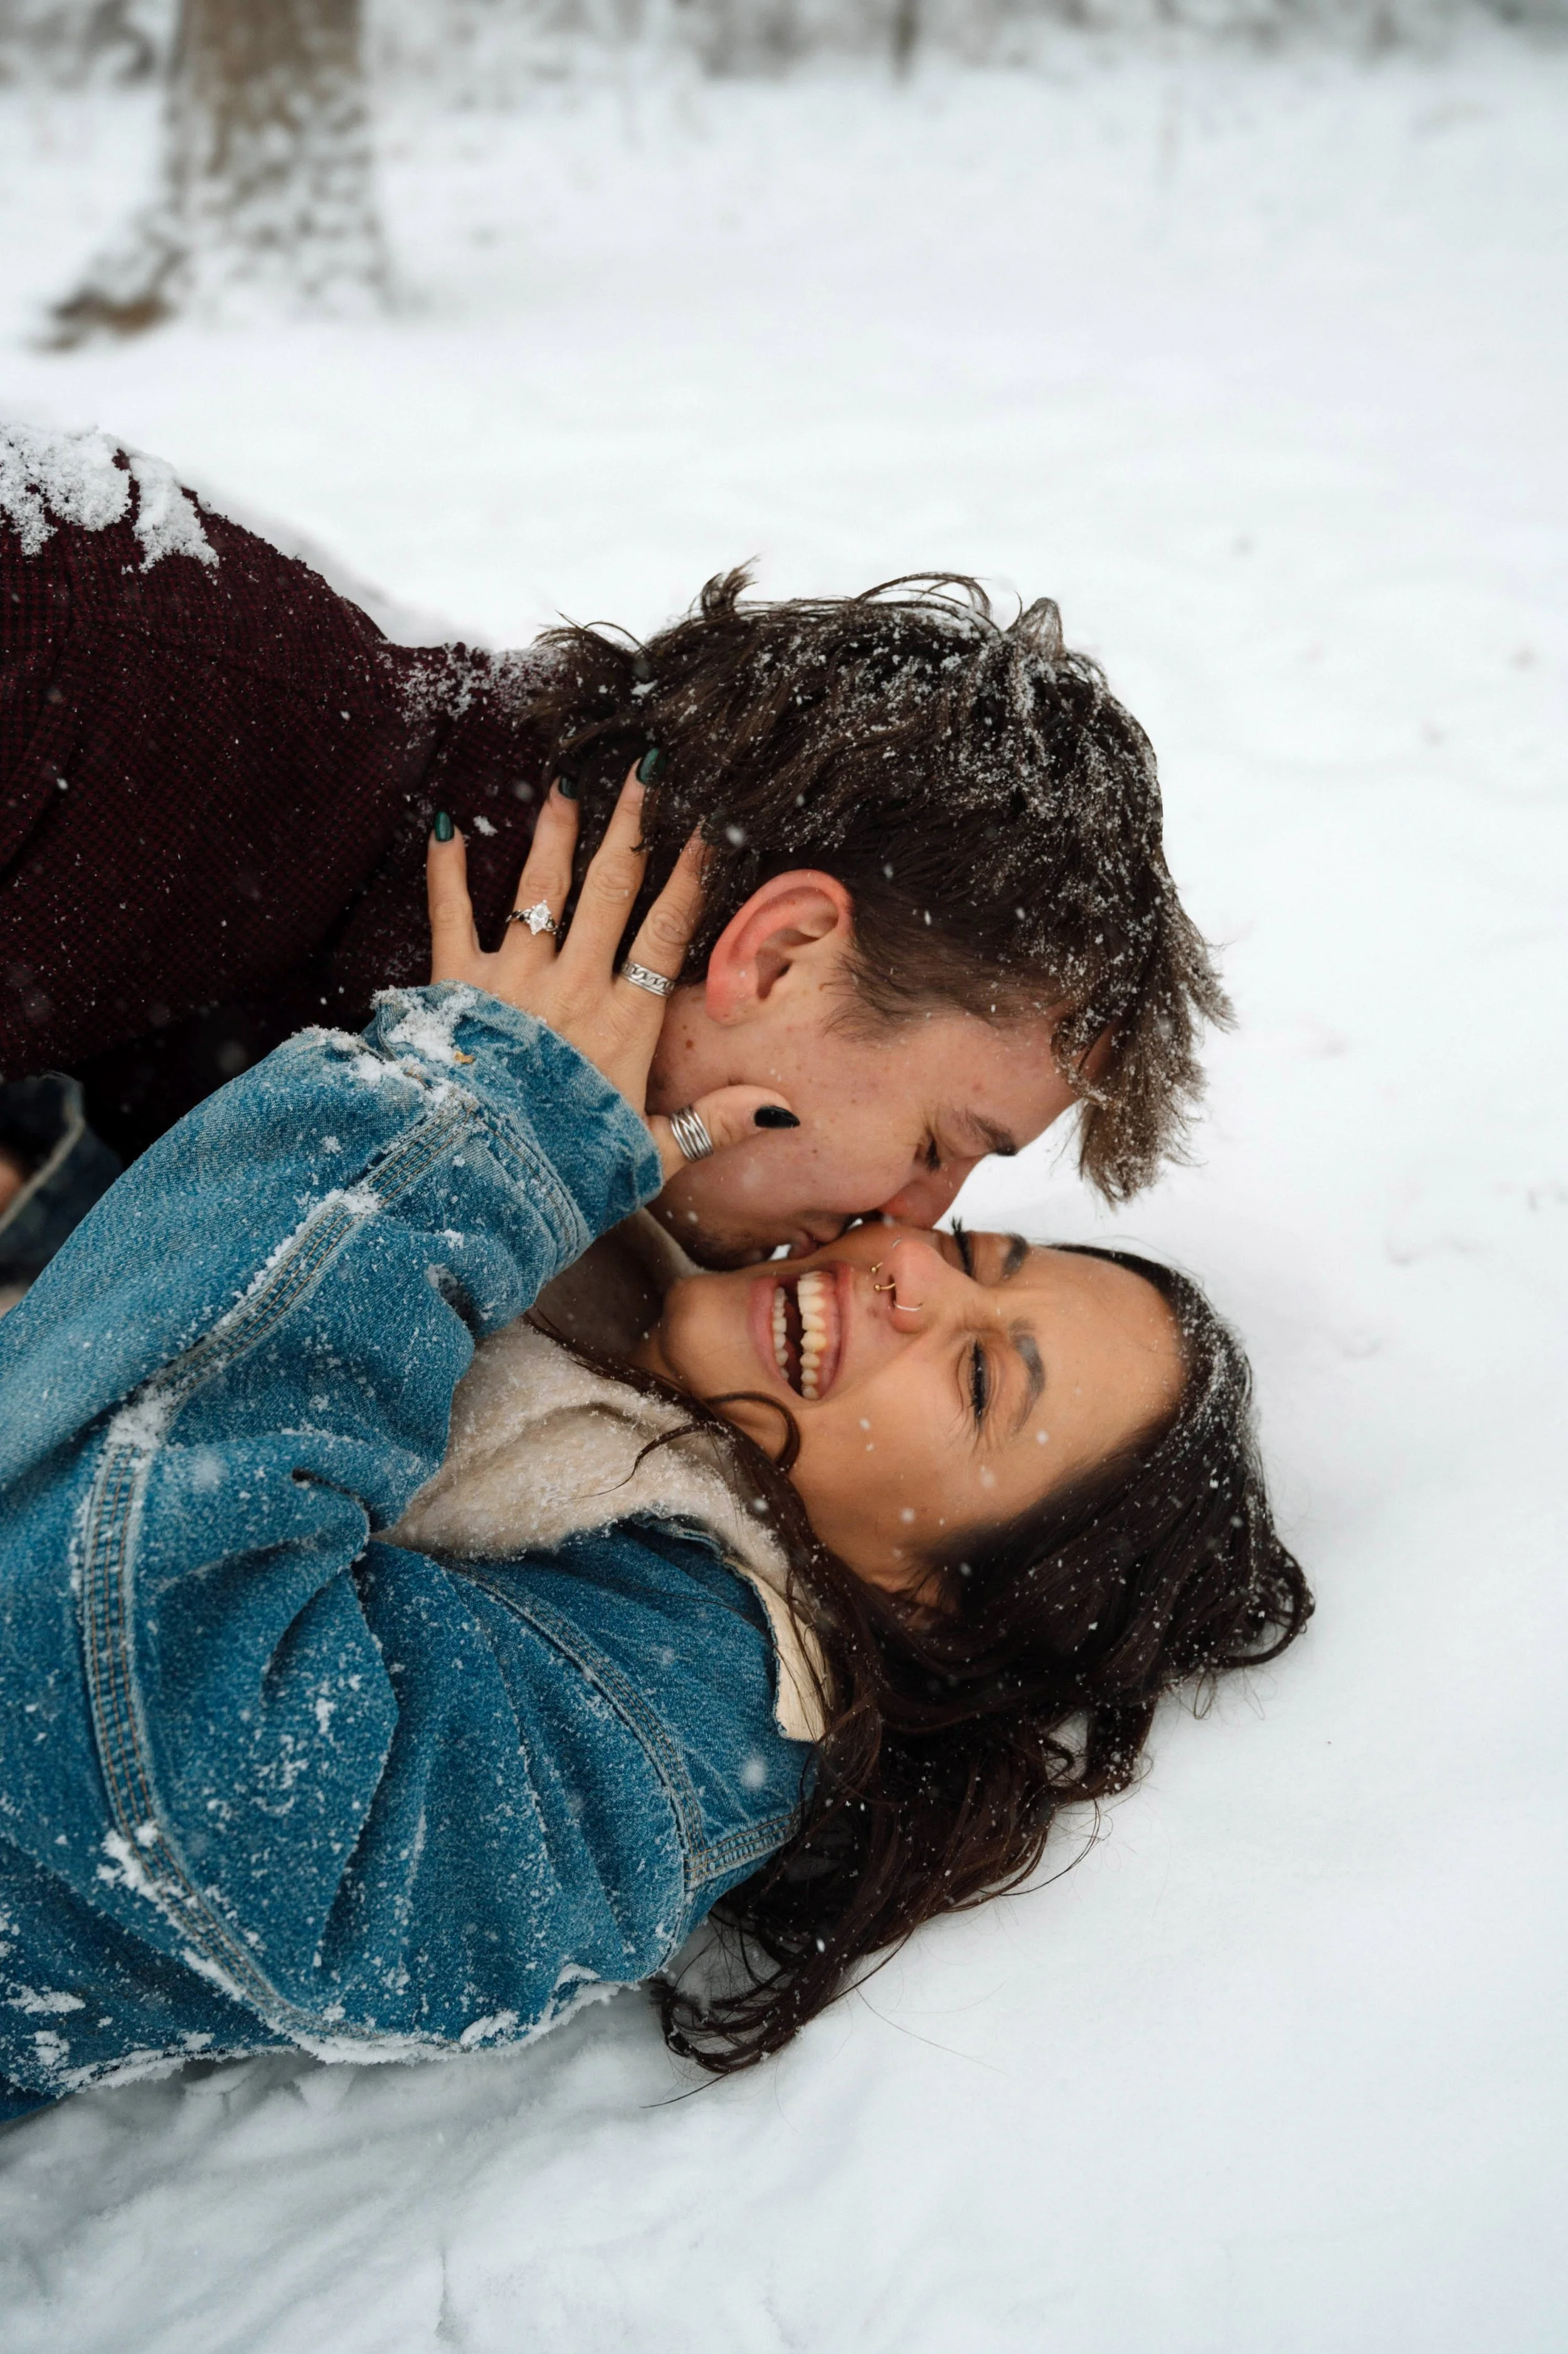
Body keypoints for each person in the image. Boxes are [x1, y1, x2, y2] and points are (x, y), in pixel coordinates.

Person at [0, 774, 1310, 2118]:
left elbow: (122, 1687)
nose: (909, 1268)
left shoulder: (679, 1724)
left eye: (979, 1376)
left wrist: (472, 1128)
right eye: (970, 1255)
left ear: (936, 1593)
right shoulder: (620, 1303)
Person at [0, 419, 1227, 1286]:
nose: (911, 1227)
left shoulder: (332, 930)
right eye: (936, 1145)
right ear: (784, 953)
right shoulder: (104, 686)